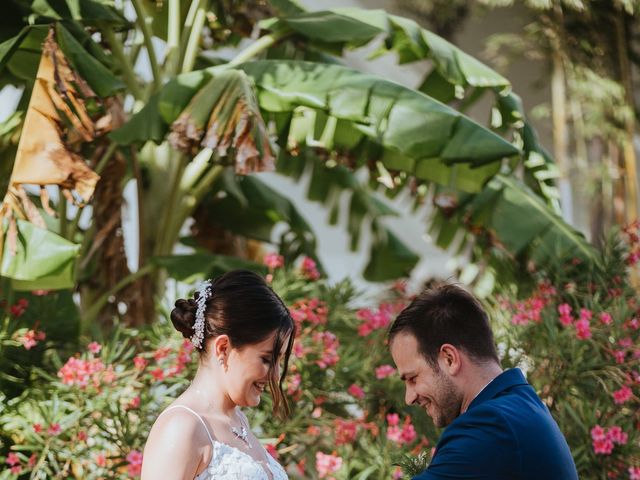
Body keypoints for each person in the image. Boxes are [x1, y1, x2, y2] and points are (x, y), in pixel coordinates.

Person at [388, 282, 578, 480]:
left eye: (412, 378)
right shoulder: (518, 409)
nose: (409, 398)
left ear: (449, 359)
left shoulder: (491, 426)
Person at [142, 270, 294, 480]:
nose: (276, 375)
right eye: (266, 359)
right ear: (223, 348)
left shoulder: (238, 421)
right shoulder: (182, 427)